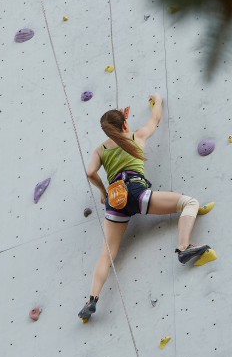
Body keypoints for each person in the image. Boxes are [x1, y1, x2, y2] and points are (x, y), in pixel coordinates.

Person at [78, 94, 213, 321]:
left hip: (115, 200)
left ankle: (91, 301)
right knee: (189, 203)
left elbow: (90, 173)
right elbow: (156, 119)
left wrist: (103, 192)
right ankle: (184, 246)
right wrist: (157, 101)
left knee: (107, 253)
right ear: (125, 125)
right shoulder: (137, 135)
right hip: (136, 191)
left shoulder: (100, 150)